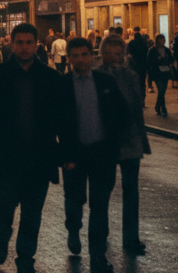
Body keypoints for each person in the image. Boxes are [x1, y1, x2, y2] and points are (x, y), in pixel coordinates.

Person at [0, 23, 75, 271]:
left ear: (36, 44)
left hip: (39, 159)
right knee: (3, 207)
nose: (24, 47)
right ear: (12, 45)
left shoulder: (50, 77)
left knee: (32, 213)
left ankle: (26, 257)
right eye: (20, 42)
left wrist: (68, 153)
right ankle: (3, 234)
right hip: (6, 157)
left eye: (29, 42)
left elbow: (62, 120)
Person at [62, 37, 130, 273]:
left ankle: (97, 256)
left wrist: (113, 145)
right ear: (69, 58)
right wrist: (63, 153)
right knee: (74, 199)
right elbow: (53, 122)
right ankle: (73, 227)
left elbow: (123, 114)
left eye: (84, 54)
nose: (81, 59)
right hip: (74, 155)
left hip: (102, 154)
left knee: (99, 206)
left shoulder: (105, 82)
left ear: (91, 56)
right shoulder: (61, 85)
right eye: (76, 55)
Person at [98, 36, 150, 254]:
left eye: (118, 53)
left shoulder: (131, 76)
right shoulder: (96, 76)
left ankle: (131, 238)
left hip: (130, 139)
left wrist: (141, 138)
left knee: (131, 190)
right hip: (105, 142)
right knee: (102, 192)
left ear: (124, 53)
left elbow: (137, 108)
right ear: (102, 54)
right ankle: (101, 235)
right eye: (109, 53)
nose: (114, 58)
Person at [146, 35, 174, 116]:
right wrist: (157, 60)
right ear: (158, 41)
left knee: (162, 91)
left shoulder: (166, 50)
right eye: (162, 40)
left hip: (165, 71)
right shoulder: (152, 50)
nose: (163, 41)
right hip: (156, 72)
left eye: (164, 40)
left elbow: (171, 59)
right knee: (161, 89)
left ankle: (158, 105)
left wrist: (166, 60)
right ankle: (163, 108)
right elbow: (149, 61)